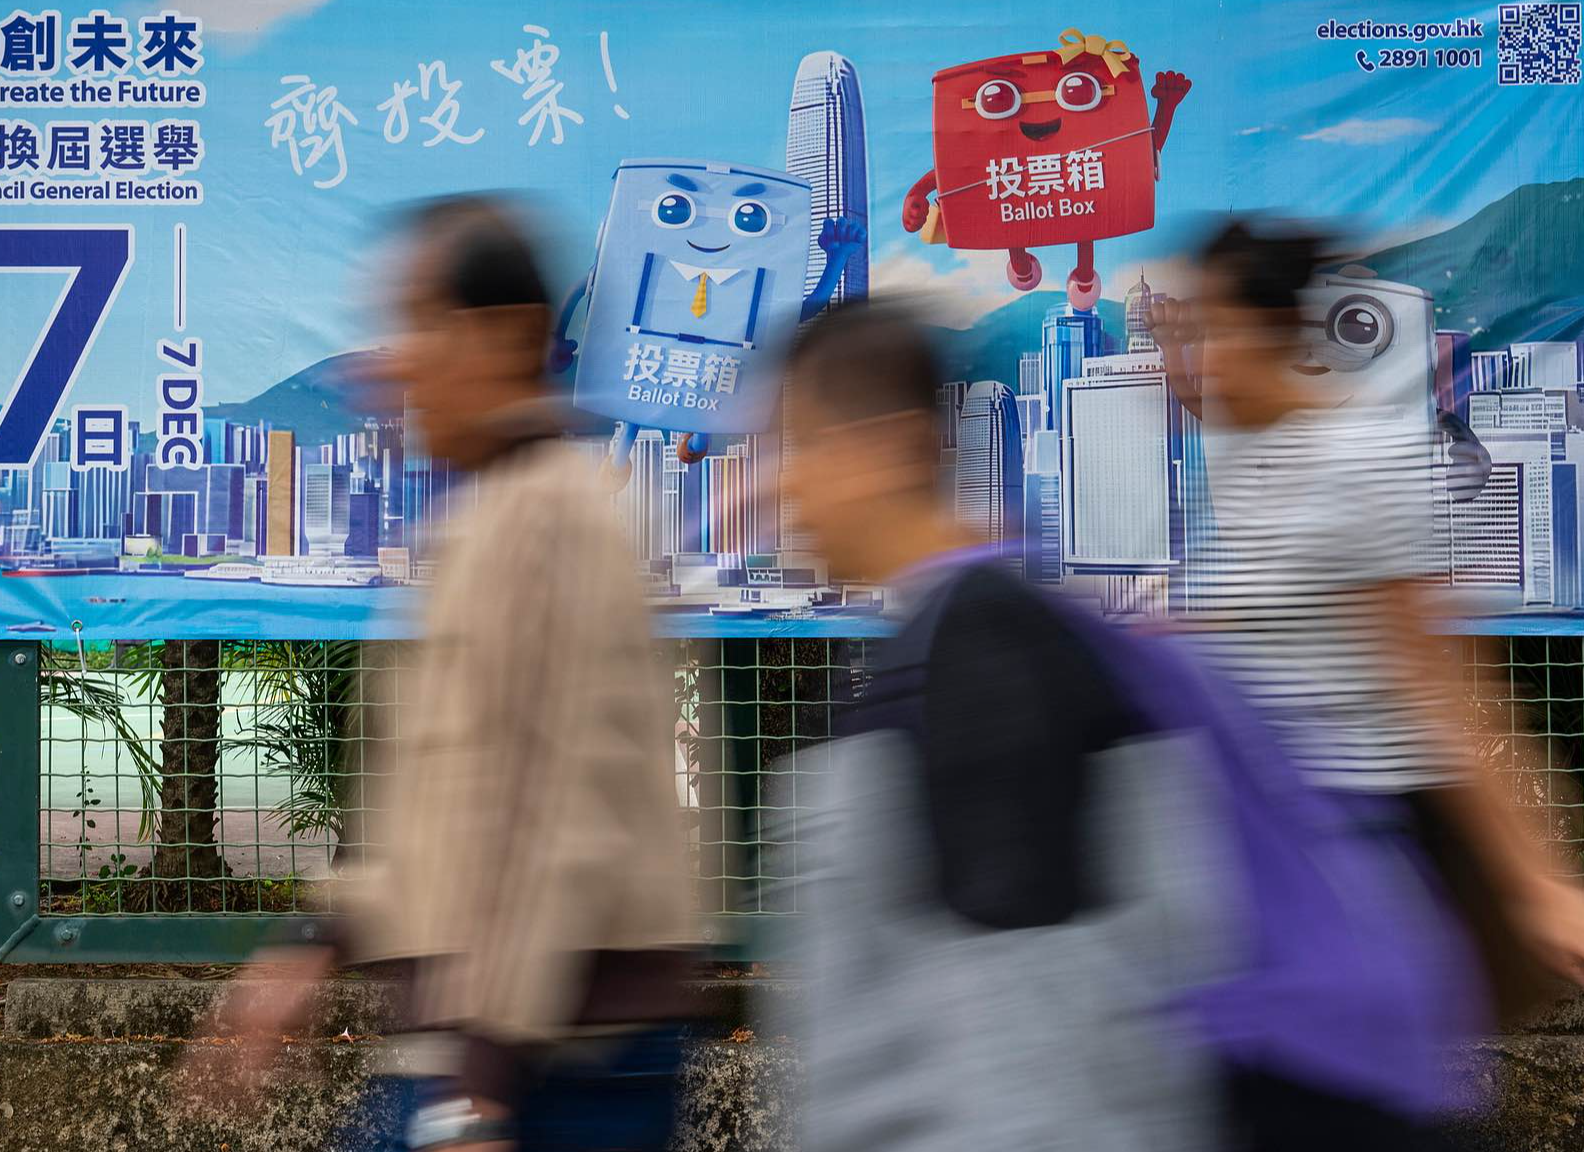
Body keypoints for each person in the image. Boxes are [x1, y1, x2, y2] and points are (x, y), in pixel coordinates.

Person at [189, 196, 700, 1152]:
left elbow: (549, 815)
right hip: (490, 1042)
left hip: (556, 1058)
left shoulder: (551, 522)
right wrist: (313, 951)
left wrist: (478, 1088)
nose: (393, 366)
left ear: (506, 337)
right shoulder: (484, 519)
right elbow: (446, 803)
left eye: (420, 323)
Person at [1164, 217, 1584, 1143]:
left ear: (1259, 332)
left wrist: (1541, 884)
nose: (1188, 360)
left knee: (1338, 1109)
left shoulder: (1362, 457)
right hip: (1256, 862)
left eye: (1203, 329)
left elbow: (1451, 691)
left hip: (1352, 859)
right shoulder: (1261, 459)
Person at [777, 298, 1234, 1151]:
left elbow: (1022, 1025)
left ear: (893, 446)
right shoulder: (1013, 634)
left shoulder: (973, 659)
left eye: (803, 444)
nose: (783, 483)